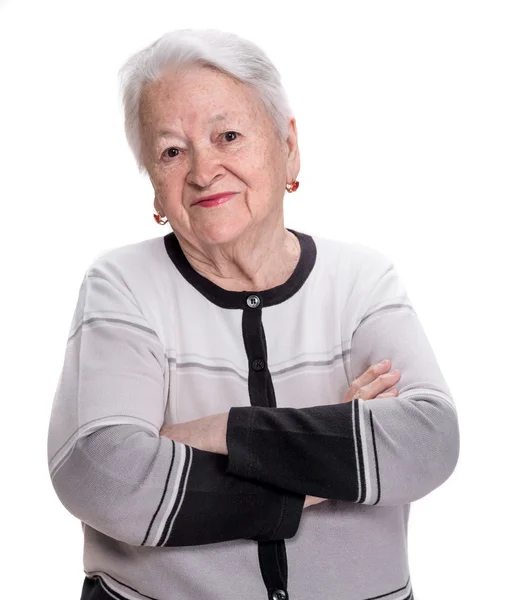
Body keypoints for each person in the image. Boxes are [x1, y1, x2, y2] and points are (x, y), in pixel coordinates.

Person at [46, 28, 460, 600]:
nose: (202, 169)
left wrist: (216, 432)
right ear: (153, 184)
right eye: (171, 150)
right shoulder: (122, 285)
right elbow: (104, 475)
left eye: (229, 135)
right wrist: (334, 445)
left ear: (288, 145)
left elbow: (426, 443)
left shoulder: (362, 280)